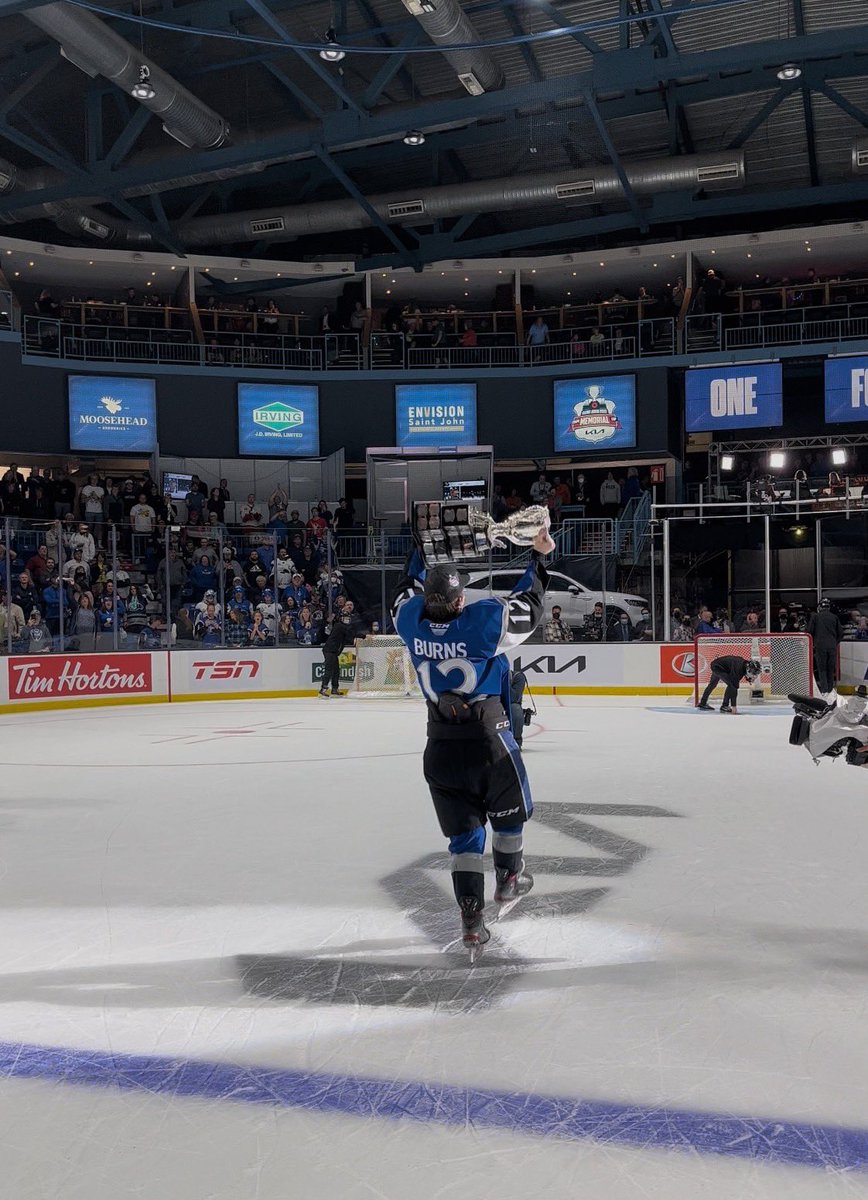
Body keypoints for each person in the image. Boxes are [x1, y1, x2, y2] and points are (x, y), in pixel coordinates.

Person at [391, 524, 554, 954]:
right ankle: (509, 880)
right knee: (510, 818)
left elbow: (403, 590)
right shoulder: (483, 624)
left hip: (440, 747)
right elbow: (529, 605)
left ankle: (470, 922)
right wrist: (538, 557)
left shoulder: (409, 621)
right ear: (462, 600)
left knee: (463, 841)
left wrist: (418, 550)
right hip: (489, 743)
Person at [807, 598, 843, 698]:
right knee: (830, 669)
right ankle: (831, 690)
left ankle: (824, 690)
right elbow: (841, 633)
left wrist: (814, 641)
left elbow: (809, 631)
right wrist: (834, 643)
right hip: (832, 646)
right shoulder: (834, 617)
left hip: (820, 646)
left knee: (822, 669)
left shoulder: (816, 617)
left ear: (820, 607)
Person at [319, 608, 354, 697]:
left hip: (333, 651)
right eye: (345, 618)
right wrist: (363, 636)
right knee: (329, 670)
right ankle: (323, 689)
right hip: (329, 650)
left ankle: (334, 689)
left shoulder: (343, 627)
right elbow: (351, 635)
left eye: (348, 618)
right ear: (341, 618)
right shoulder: (340, 626)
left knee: (336, 671)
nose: (346, 620)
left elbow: (347, 637)